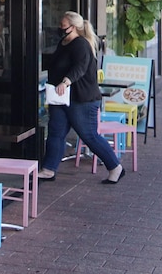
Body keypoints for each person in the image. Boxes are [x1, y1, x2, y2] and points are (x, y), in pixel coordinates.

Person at [38, 11, 124, 184]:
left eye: (64, 27)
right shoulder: (64, 43)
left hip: (81, 98)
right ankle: (48, 169)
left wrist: (66, 81)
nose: (60, 29)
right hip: (60, 97)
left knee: (89, 135)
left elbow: (81, 67)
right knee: (55, 132)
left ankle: (115, 167)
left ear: (75, 27)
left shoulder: (81, 44)